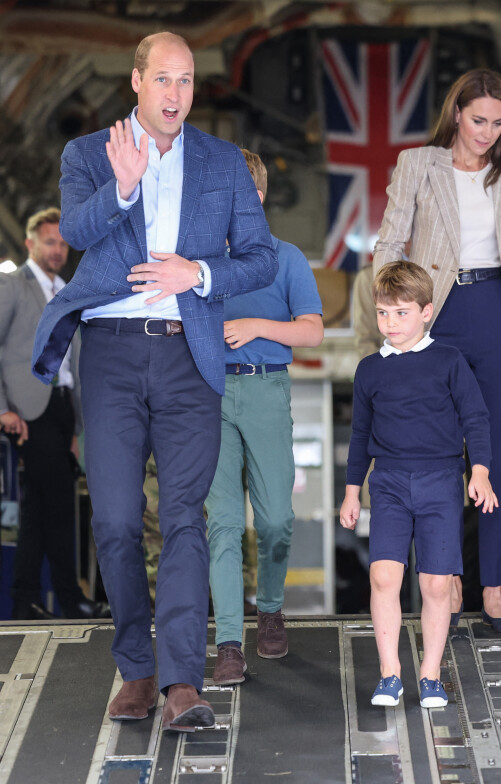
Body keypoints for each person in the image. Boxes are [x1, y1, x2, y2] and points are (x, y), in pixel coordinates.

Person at [31, 33, 277, 731]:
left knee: (182, 522)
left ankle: (180, 683)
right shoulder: (87, 154)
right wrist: (126, 186)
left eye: (188, 81)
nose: (176, 94)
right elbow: (77, 228)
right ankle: (135, 668)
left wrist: (196, 275)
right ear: (136, 83)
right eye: (163, 79)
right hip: (107, 356)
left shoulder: (224, 163)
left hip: (185, 355)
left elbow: (258, 258)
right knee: (112, 521)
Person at [373, 68, 501, 632]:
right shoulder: (418, 164)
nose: (488, 131)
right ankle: (443, 583)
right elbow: (390, 243)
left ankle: (493, 589)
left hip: (493, 314)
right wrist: (393, 316)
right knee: (432, 456)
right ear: (456, 113)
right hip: (435, 314)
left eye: (498, 121)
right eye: (478, 119)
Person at [340, 260, 497, 708]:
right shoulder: (369, 369)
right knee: (383, 576)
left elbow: (476, 417)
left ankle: (430, 675)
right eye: (384, 313)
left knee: (434, 585)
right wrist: (352, 490)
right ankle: (391, 673)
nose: (391, 322)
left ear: (427, 312)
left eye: (402, 313)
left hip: (441, 483)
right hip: (387, 483)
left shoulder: (449, 361)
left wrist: (480, 469)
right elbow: (359, 436)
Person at [205, 149, 323, 685]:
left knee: (276, 519)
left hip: (266, 389)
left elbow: (312, 331)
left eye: (244, 192)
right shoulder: (201, 261)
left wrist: (256, 325)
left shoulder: (286, 258)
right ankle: (229, 640)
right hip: (208, 395)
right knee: (223, 524)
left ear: (259, 195)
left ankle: (269, 606)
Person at [0, 208, 108, 621]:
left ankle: (25, 597)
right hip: (29, 410)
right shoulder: (13, 286)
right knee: (60, 505)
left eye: (62, 243)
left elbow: (73, 362)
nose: (58, 249)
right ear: (30, 243)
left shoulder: (66, 290)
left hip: (62, 407)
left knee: (40, 509)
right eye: (50, 242)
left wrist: (78, 424)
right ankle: (69, 598)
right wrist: (3, 410)